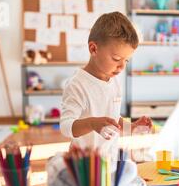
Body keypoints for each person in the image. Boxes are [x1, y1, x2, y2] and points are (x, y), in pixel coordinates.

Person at [60, 11, 153, 150]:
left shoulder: (114, 80)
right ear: (93, 49)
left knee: (132, 168)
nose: (122, 66)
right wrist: (92, 124)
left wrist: (132, 127)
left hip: (110, 159)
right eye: (116, 59)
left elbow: (113, 119)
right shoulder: (77, 85)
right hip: (86, 162)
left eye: (126, 60)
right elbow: (65, 127)